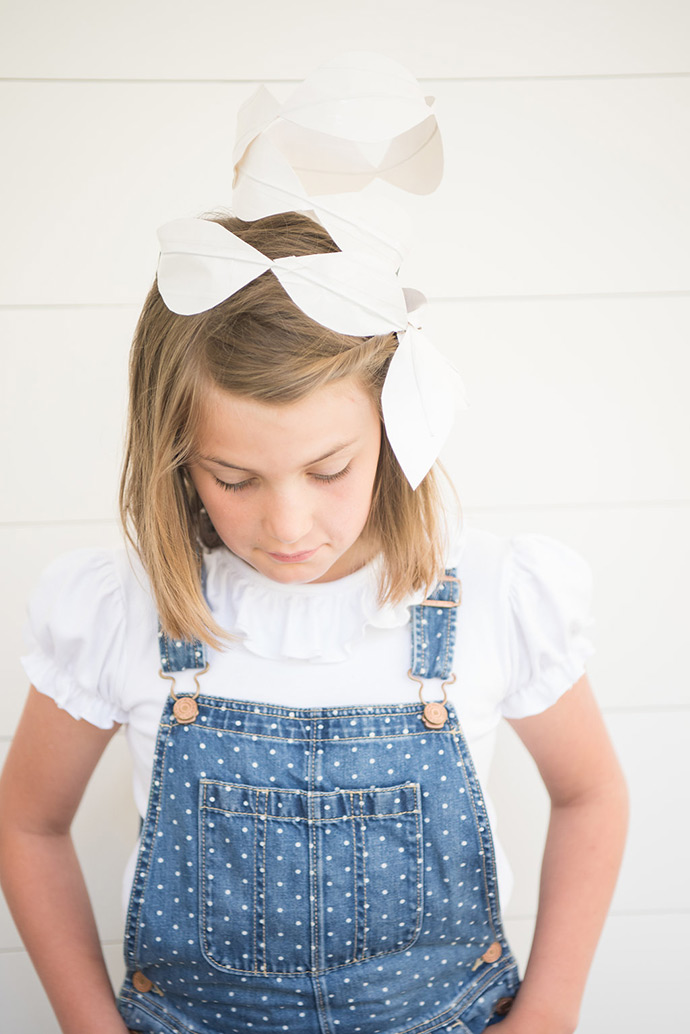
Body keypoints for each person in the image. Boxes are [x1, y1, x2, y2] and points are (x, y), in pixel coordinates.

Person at [0, 52, 628, 1033]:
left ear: (398, 419)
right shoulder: (119, 611)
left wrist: (549, 1010)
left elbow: (590, 792)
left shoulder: (500, 591)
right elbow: (29, 820)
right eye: (233, 478)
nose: (286, 525)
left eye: (330, 468)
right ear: (175, 458)